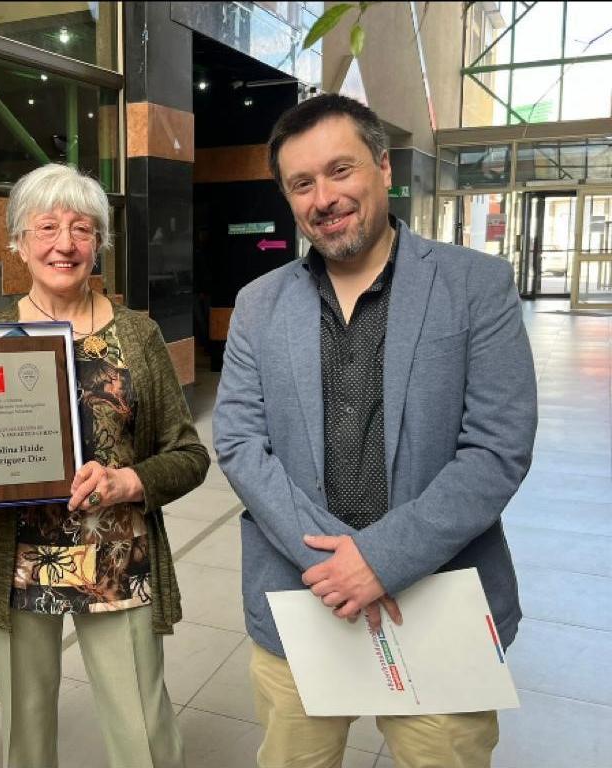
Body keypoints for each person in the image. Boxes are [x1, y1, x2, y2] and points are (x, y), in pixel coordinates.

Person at [213, 94, 537, 768]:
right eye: (302, 183)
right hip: (300, 598)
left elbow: (497, 448)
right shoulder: (258, 305)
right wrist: (333, 567)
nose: (323, 197)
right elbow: (241, 441)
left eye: (340, 170)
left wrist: (381, 558)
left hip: (438, 596)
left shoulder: (476, 286)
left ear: (384, 167)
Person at [0, 163, 210, 768]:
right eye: (46, 226)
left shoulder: (138, 335)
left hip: (116, 558)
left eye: (82, 228)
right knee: (25, 734)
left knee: (143, 731)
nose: (65, 243)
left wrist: (128, 480)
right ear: (18, 243)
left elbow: (189, 454)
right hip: (15, 565)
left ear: (99, 243)